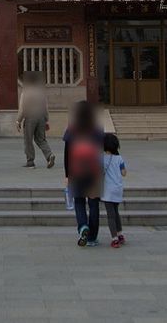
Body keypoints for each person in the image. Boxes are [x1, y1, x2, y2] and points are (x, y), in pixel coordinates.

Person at [64, 100, 104, 246]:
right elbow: (101, 153)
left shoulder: (72, 130)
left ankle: (82, 226)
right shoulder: (97, 130)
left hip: (76, 171)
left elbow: (67, 154)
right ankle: (92, 237)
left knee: (79, 201)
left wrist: (67, 175)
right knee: (93, 204)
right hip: (94, 171)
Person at [16, 71, 55, 168]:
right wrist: (46, 119)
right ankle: (49, 155)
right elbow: (45, 107)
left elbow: (22, 108)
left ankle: (30, 162)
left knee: (28, 140)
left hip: (30, 118)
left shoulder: (26, 92)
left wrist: (18, 120)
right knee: (41, 139)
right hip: (41, 117)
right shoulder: (41, 92)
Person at [101, 133, 127, 248]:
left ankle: (114, 238)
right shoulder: (119, 158)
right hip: (118, 189)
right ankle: (120, 234)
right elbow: (124, 172)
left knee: (110, 215)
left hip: (107, 191)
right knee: (116, 213)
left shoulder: (101, 158)